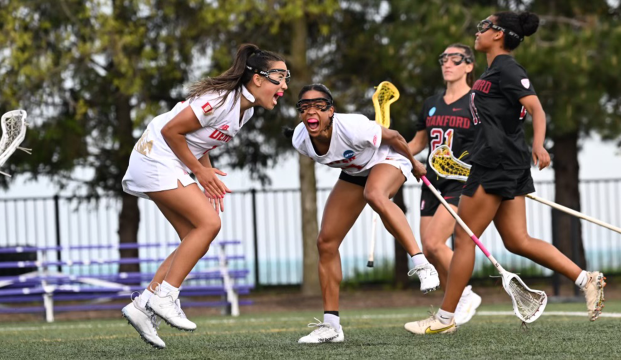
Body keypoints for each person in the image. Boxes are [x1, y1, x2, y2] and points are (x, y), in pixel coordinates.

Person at [404, 11, 606, 335]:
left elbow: (537, 109)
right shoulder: (491, 71)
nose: (478, 30)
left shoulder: (508, 69)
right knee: (517, 240)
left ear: (498, 34)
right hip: (500, 160)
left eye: (484, 26)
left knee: (463, 237)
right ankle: (587, 279)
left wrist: (539, 147)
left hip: (497, 163)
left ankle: (444, 319)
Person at [120, 44, 289, 348]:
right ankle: (166, 297)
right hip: (155, 156)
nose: (285, 86)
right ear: (258, 79)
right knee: (209, 225)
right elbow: (173, 131)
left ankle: (144, 304)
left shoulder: (244, 111)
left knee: (194, 235)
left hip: (167, 160)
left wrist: (206, 175)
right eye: (280, 77)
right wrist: (199, 172)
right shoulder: (222, 100)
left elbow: (203, 141)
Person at [287, 84, 439, 344]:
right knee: (326, 242)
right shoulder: (301, 140)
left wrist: (414, 164)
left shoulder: (353, 126)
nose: (311, 111)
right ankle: (332, 326)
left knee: (375, 195)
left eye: (319, 106)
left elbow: (394, 137)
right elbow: (347, 162)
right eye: (305, 106)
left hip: (389, 159)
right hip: (356, 172)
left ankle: (422, 264)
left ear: (331, 110)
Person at [407, 43, 482, 326]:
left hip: (461, 182)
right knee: (428, 249)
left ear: (469, 65)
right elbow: (417, 143)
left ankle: (465, 294)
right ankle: (459, 296)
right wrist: (388, 147)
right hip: (431, 182)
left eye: (455, 59)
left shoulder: (477, 101)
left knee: (435, 242)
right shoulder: (431, 103)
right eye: (444, 59)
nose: (448, 63)